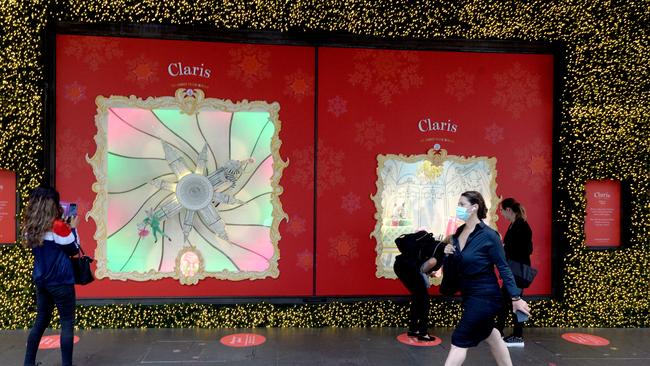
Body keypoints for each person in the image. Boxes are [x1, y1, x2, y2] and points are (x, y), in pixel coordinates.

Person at [442, 191, 529, 366]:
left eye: (461, 204)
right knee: (492, 335)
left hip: (485, 297)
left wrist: (516, 297)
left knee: (459, 339)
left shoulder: (489, 235)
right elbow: (459, 263)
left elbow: (503, 267)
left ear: (474, 207)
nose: (458, 208)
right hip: (469, 295)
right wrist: (448, 253)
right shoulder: (459, 233)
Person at [22, 187, 79, 366]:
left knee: (40, 321)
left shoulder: (29, 227)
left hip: (41, 280)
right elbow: (74, 249)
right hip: (61, 281)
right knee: (67, 323)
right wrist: (74, 229)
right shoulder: (59, 226)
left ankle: (28, 363)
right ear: (51, 204)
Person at [393, 231, 445, 341]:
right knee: (424, 300)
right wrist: (426, 273)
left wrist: (426, 272)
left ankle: (413, 329)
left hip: (401, 265)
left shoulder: (433, 245)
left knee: (417, 297)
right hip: (409, 269)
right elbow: (427, 265)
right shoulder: (440, 252)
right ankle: (423, 333)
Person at [496, 197, 533, 347]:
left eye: (502, 211)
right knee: (506, 300)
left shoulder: (521, 226)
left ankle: (517, 335)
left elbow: (527, 249)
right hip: (513, 270)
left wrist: (504, 247)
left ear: (508, 210)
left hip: (516, 271)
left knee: (516, 302)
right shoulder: (515, 225)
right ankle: (500, 330)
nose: (502, 214)